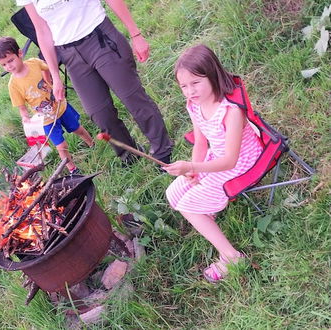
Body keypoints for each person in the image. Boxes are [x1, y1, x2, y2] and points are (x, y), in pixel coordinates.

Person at [17, 0, 173, 166]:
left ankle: (162, 150)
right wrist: (55, 75)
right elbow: (42, 31)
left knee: (132, 98)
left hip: (100, 38)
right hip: (69, 55)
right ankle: (129, 155)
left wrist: (135, 34)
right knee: (99, 113)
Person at [163, 44, 263, 282]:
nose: (189, 91)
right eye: (184, 86)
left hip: (241, 161)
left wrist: (193, 166)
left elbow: (230, 160)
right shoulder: (194, 105)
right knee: (174, 193)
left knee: (188, 205)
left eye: (195, 83)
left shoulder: (230, 111)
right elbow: (200, 143)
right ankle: (208, 213)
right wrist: (193, 171)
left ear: (212, 74)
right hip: (215, 158)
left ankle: (231, 256)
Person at [0, 36, 94, 174]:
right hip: (46, 120)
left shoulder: (34, 63)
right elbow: (21, 107)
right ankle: (73, 169)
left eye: (11, 60)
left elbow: (47, 68)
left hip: (60, 106)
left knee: (77, 128)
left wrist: (49, 80)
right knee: (61, 146)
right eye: (4, 64)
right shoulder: (13, 85)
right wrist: (25, 118)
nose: (9, 66)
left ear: (20, 53)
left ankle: (92, 144)